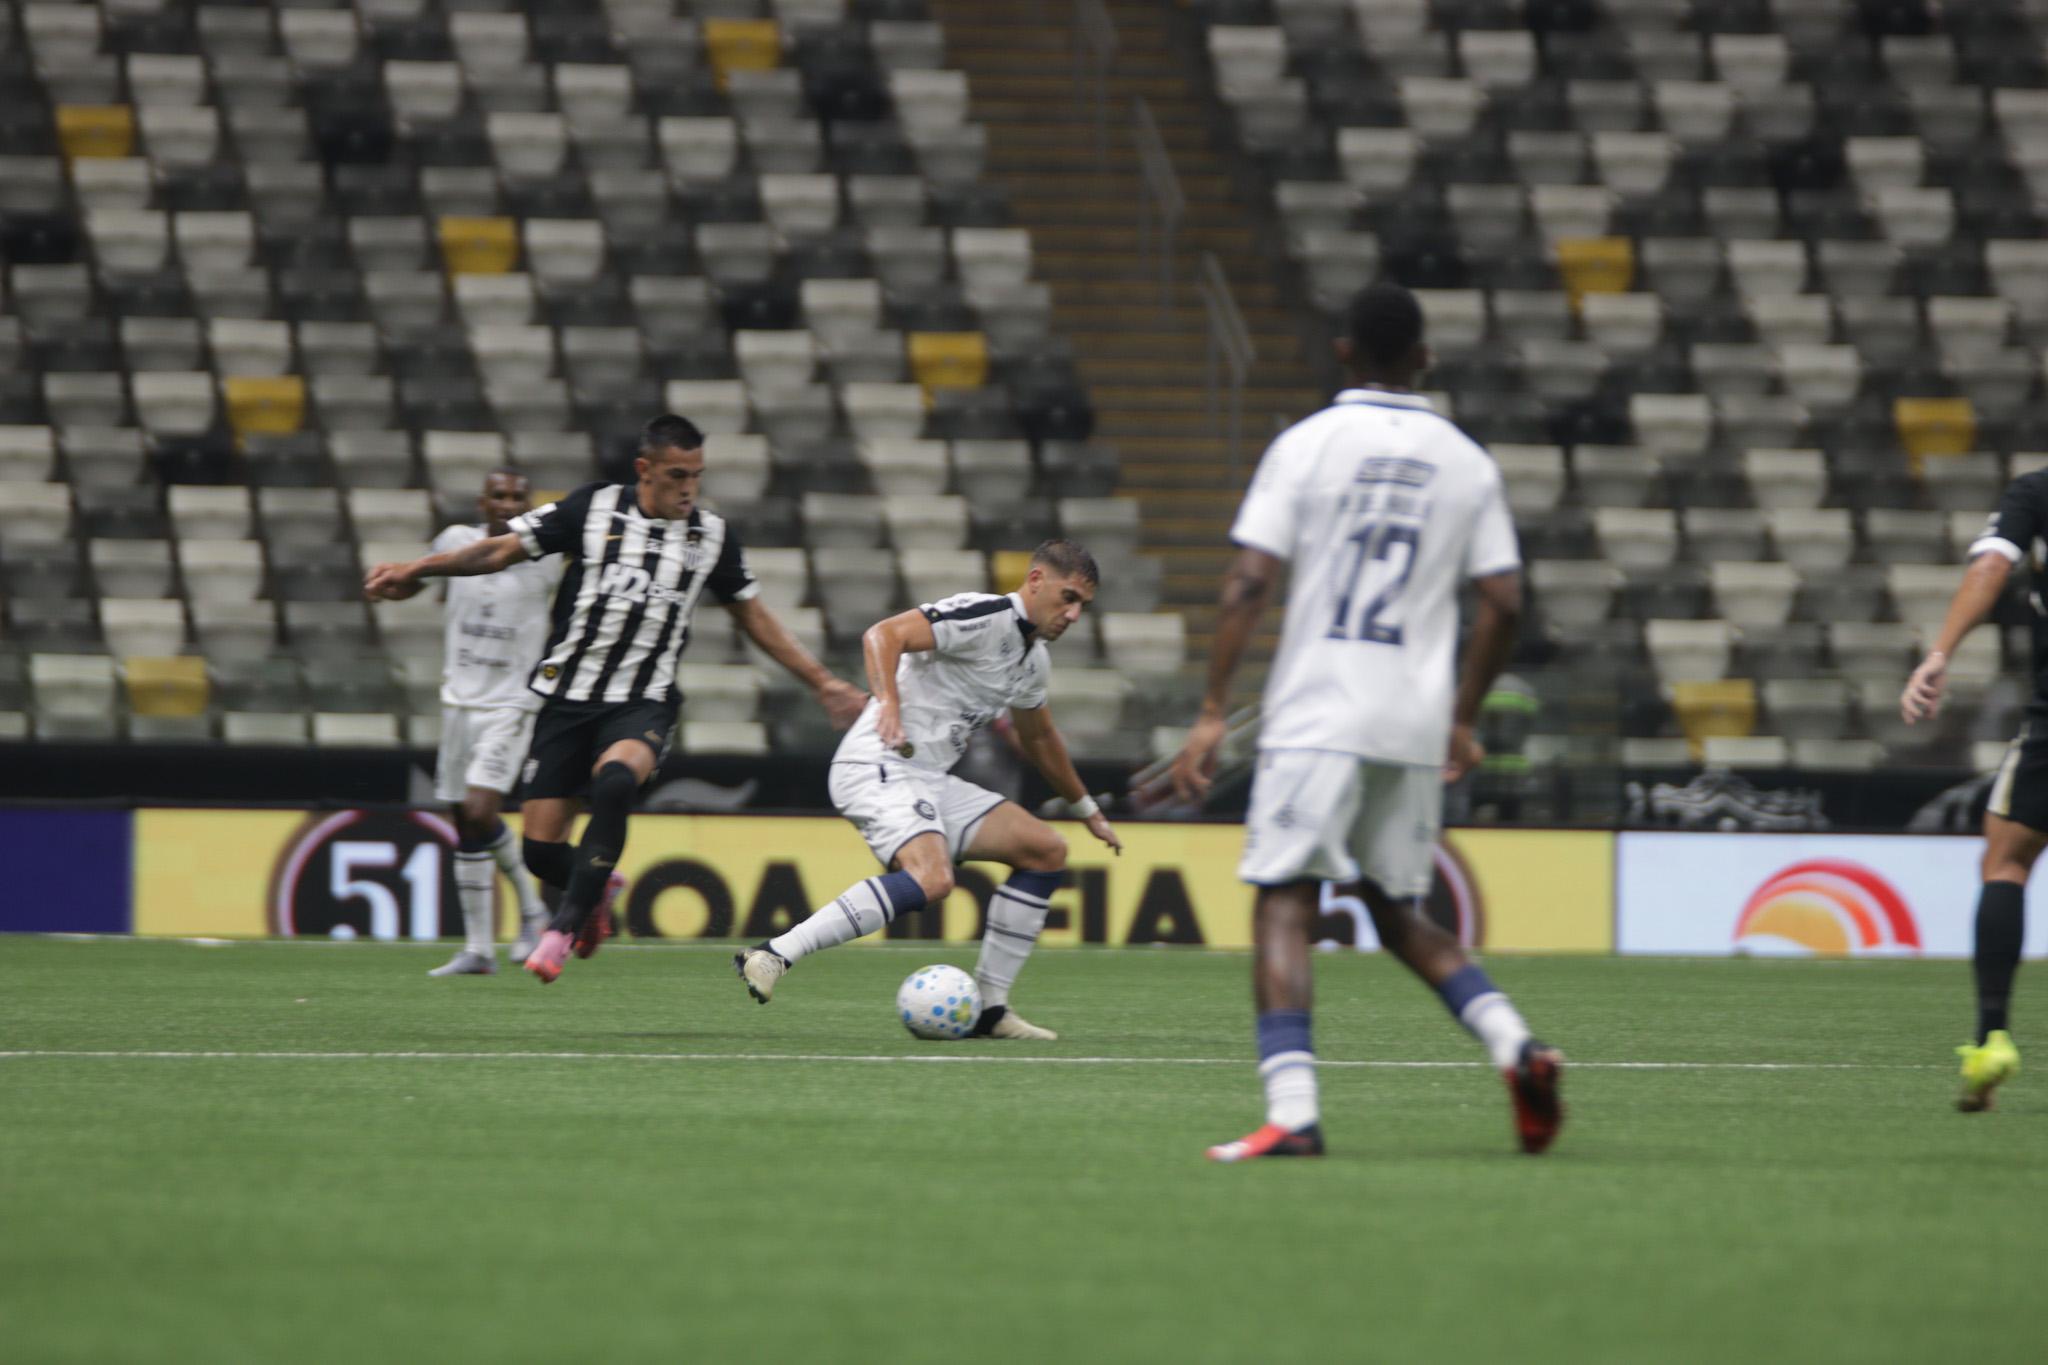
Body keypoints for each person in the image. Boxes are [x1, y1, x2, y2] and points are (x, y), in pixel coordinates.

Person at [1171, 281, 1562, 1161]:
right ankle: (1516, 1045)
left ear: (1343, 351)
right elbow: (1504, 599)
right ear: (1424, 357)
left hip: (1319, 711)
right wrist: (1461, 716)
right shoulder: (1466, 461)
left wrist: (1211, 711)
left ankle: (1294, 1113)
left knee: (1284, 900)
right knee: (1395, 908)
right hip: (1412, 722)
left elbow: (1248, 582)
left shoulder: (1306, 445)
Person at [367, 414, 867, 983]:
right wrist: (417, 570)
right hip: (566, 699)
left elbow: (753, 615)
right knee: (539, 851)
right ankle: (597, 887)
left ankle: (563, 927)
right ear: (644, 469)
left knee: (615, 782)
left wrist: (823, 682)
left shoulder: (710, 537)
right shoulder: (592, 509)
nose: (688, 489)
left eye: (697, 476)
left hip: (642, 702)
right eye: (677, 475)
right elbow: (498, 551)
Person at [733, 540, 1123, 1040]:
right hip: (878, 761)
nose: (1073, 614)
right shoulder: (983, 615)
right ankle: (774, 954)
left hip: (927, 778)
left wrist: (1087, 809)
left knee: (1045, 851)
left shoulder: (1033, 662)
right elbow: (884, 634)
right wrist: (889, 704)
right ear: (1035, 581)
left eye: (1082, 606)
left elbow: (1039, 737)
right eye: (1068, 597)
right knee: (932, 878)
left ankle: (990, 1010)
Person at [1900, 471, 2047, 1110]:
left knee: (2007, 861)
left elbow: (1991, 565)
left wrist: (1939, 654)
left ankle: (1992, 1040)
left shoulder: (2036, 492)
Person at [423, 469, 563, 976]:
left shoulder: (547, 557)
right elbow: (433, 587)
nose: (507, 504)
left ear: (530, 504)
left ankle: (532, 911)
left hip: (510, 704)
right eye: (498, 496)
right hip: (458, 700)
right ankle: (479, 948)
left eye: (517, 497)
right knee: (464, 821)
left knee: (480, 811)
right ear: (482, 502)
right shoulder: (454, 542)